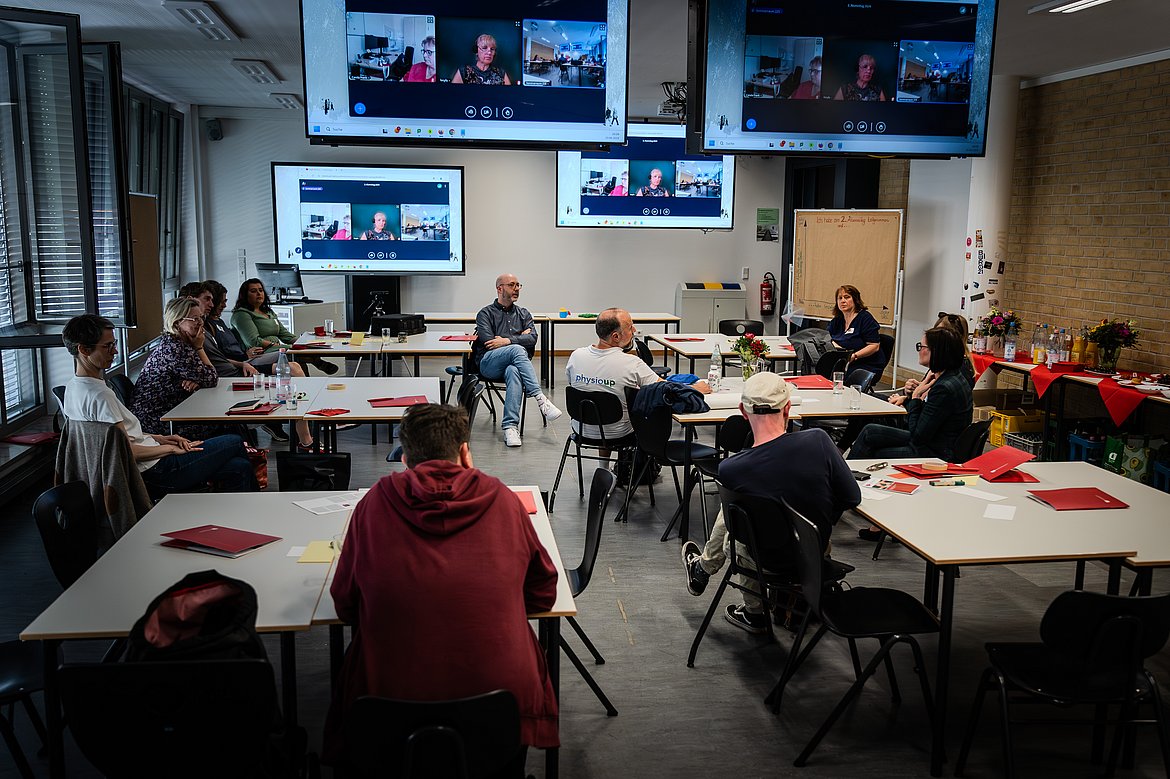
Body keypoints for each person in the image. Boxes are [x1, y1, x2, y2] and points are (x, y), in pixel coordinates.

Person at [324, 403, 558, 770]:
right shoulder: (502, 500)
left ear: (404, 458)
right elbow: (544, 592)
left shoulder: (373, 504)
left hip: (387, 707)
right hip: (501, 706)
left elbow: (345, 604)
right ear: (465, 452)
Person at [682, 372, 860, 633]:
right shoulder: (819, 441)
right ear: (788, 407)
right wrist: (814, 523)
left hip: (763, 559)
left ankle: (751, 609)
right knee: (738, 512)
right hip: (814, 554)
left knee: (736, 518)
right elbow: (851, 497)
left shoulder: (732, 469)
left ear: (743, 411)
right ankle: (704, 568)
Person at [61, 314, 256, 494]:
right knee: (234, 440)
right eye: (108, 346)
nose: (116, 351)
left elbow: (120, 438)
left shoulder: (74, 387)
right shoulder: (100, 395)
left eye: (115, 344)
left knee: (239, 466)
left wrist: (162, 438)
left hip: (154, 457)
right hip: (156, 470)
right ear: (84, 349)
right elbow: (127, 451)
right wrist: (171, 449)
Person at [196, 280, 315, 449]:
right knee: (294, 365)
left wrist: (302, 342)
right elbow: (226, 356)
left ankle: (305, 422)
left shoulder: (219, 322)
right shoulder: (211, 326)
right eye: (219, 300)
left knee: (297, 365)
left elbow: (235, 347)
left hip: (244, 361)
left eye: (261, 290)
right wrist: (243, 360)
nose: (223, 304)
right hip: (241, 367)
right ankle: (305, 428)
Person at [565, 308, 710, 442]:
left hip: (581, 429)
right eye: (630, 327)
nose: (634, 330)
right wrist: (696, 389)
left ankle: (602, 467)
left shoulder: (576, 356)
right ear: (615, 336)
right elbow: (666, 389)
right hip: (618, 433)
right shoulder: (632, 363)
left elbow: (582, 387)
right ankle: (643, 466)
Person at [850, 326, 974, 465]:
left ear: (936, 352)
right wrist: (909, 397)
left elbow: (918, 436)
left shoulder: (944, 388)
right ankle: (846, 474)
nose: (919, 350)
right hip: (936, 442)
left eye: (922, 346)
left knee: (871, 440)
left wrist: (915, 397)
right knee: (871, 426)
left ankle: (843, 478)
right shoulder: (951, 376)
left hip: (936, 453)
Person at [473, 273, 561, 447]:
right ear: (499, 288)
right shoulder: (485, 313)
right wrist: (518, 338)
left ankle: (510, 427)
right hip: (489, 363)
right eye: (512, 285)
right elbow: (489, 342)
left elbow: (533, 338)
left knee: (514, 370)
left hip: (512, 366)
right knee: (517, 349)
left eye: (519, 285)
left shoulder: (523, 313)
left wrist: (505, 340)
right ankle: (540, 398)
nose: (516, 289)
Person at [130, 296, 222, 442]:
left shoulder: (178, 342)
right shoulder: (175, 349)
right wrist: (199, 347)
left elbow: (204, 376)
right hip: (157, 424)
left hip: (170, 413)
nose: (200, 323)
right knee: (224, 423)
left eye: (201, 318)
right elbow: (211, 378)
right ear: (177, 322)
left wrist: (198, 381)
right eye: (194, 319)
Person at [230, 278, 339, 375]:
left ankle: (309, 380)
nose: (259, 293)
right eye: (253, 291)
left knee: (299, 354)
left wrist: (304, 343)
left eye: (261, 290)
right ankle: (317, 364)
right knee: (293, 354)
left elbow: (285, 335)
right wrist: (275, 344)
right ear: (245, 295)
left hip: (275, 349)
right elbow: (254, 341)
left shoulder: (268, 312)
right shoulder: (242, 314)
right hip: (258, 354)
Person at [827, 284, 886, 376]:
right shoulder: (837, 320)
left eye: (847, 297)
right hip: (842, 361)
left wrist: (853, 356)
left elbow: (874, 346)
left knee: (837, 376)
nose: (843, 301)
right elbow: (829, 338)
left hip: (865, 363)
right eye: (840, 298)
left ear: (855, 299)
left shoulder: (865, 318)